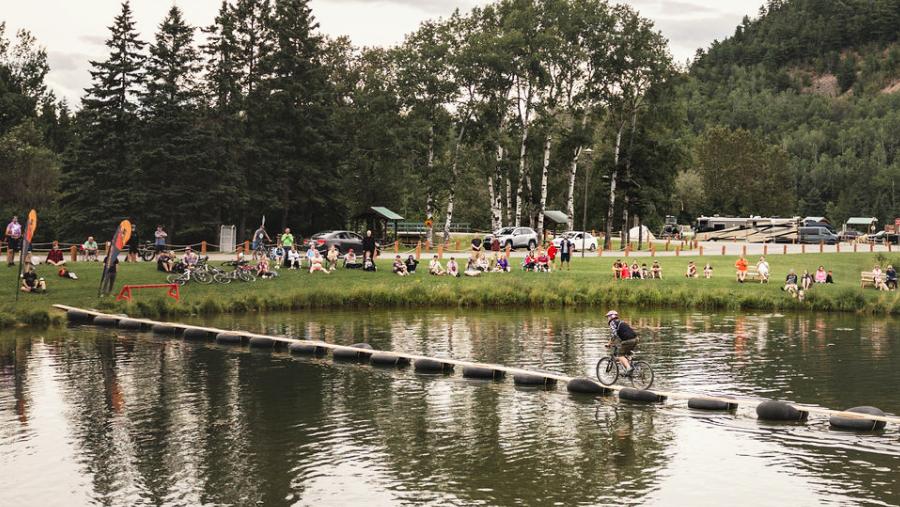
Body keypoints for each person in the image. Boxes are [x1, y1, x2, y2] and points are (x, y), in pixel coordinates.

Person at [606, 311, 638, 376]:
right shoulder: (621, 322)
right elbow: (625, 333)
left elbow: (614, 335)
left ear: (611, 317)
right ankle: (630, 367)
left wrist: (609, 343)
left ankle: (628, 368)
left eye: (608, 317)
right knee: (626, 353)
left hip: (629, 340)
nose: (607, 319)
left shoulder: (613, 323)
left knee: (620, 355)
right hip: (636, 339)